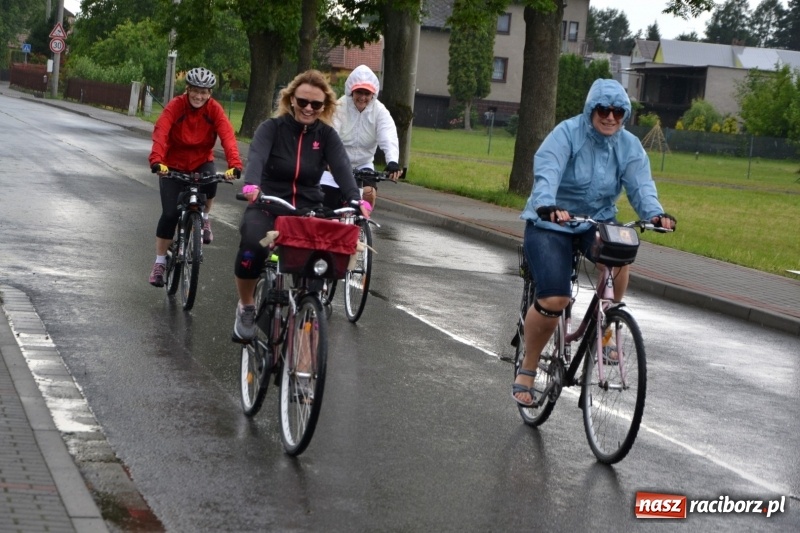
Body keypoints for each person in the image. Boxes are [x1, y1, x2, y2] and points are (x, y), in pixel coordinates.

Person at [513, 78, 676, 407]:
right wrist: (546, 203)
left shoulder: (628, 146)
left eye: (618, 112)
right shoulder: (567, 134)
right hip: (551, 221)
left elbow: (641, 184)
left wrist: (655, 214)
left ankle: (607, 319)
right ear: (592, 110)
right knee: (555, 298)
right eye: (604, 110)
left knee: (620, 252)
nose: (611, 117)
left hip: (595, 219)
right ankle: (527, 367)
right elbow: (548, 169)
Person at [232, 69, 370, 342]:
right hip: (269, 204)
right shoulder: (271, 128)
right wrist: (252, 185)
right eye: (303, 101)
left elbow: (342, 169)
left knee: (318, 267)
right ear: (291, 100)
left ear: (324, 106)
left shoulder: (327, 136)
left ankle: (306, 328)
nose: (308, 108)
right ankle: (246, 306)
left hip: (308, 209)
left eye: (316, 104)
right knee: (250, 250)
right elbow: (257, 157)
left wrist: (356, 199)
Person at [148, 67, 242, 287]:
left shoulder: (214, 110)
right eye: (196, 90)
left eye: (205, 91)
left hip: (201, 161)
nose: (199, 96)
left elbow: (227, 135)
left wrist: (235, 165)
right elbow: (161, 131)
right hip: (171, 164)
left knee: (211, 182)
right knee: (170, 214)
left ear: (210, 93)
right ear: (188, 89)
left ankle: (205, 219)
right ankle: (160, 262)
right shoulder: (176, 106)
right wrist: (157, 160)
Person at [320, 64, 401, 211]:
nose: (363, 98)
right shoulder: (339, 107)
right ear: (352, 91)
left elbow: (388, 135)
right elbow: (330, 133)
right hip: (337, 163)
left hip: (364, 164)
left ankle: (362, 227)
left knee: (369, 194)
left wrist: (392, 161)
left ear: (373, 94)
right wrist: (327, 158)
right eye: (359, 92)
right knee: (328, 198)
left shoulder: (380, 111)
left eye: (367, 93)